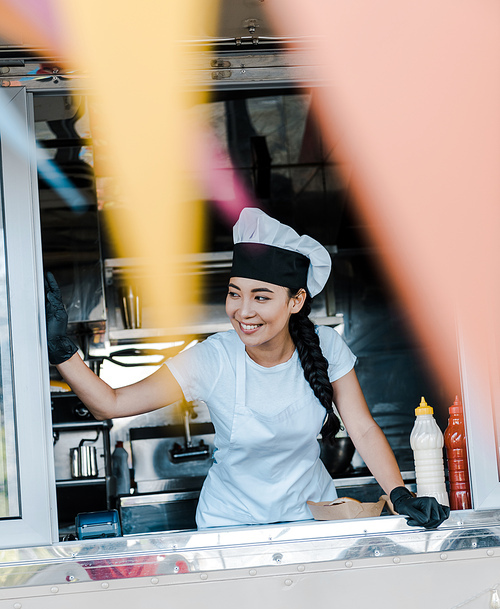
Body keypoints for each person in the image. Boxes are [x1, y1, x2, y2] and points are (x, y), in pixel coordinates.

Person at [45, 207, 450, 530]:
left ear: (295, 301)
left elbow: (361, 427)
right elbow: (110, 404)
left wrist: (400, 495)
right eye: (235, 293)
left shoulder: (326, 346)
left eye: (261, 297)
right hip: (229, 525)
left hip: (312, 518)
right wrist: (62, 349)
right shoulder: (212, 359)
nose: (243, 311)